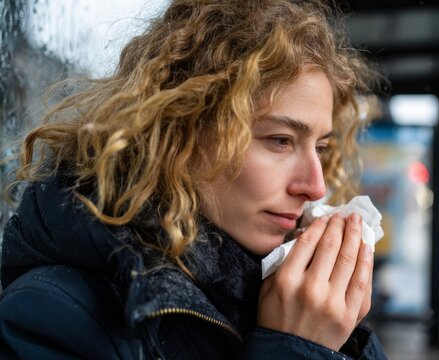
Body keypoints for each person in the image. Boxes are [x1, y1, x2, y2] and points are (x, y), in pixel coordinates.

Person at [0, 0, 387, 359]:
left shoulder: (275, 284)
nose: (316, 187)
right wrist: (297, 349)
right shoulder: (50, 314)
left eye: (320, 147)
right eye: (281, 140)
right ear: (181, 132)